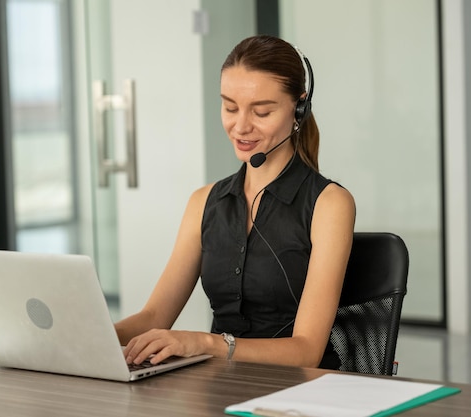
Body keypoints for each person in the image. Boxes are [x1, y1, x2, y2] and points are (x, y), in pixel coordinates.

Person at [115, 35, 355, 369]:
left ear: (299, 108)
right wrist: (88, 335)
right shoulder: (204, 202)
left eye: (262, 111)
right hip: (221, 388)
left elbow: (306, 352)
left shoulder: (329, 204)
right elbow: (154, 316)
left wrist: (204, 343)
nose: (240, 126)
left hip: (298, 393)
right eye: (230, 107)